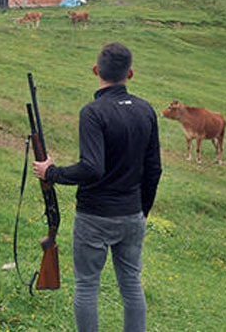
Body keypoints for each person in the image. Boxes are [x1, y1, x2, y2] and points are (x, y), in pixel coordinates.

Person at [32, 42, 162, 332]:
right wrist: (142, 211)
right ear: (130, 73)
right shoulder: (146, 110)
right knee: (131, 285)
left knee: (87, 287)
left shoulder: (93, 112)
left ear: (95, 71)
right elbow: (154, 169)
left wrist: (51, 172)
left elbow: (92, 168)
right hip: (132, 215)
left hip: (94, 217)